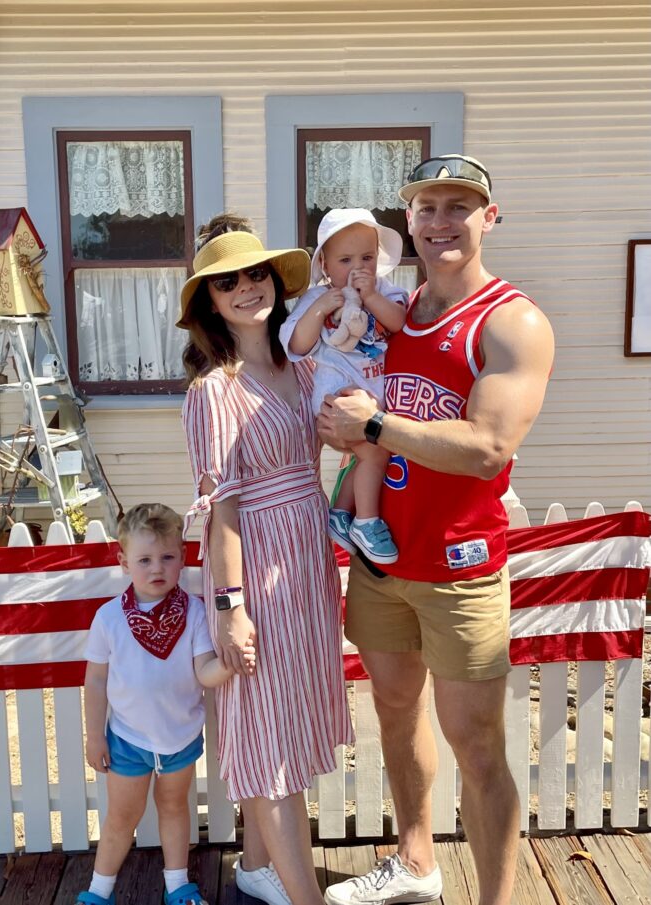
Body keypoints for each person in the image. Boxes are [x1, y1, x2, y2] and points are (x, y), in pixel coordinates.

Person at [319, 155, 555, 905]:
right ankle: (416, 862)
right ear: (408, 222)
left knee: (478, 745)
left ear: (491, 217)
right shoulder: (402, 307)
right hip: (382, 558)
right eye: (427, 207)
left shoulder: (512, 320)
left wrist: (376, 422)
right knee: (394, 710)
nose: (442, 221)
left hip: (461, 567)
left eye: (460, 206)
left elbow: (489, 444)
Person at [178, 215, 353, 905]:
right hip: (256, 569)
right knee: (269, 738)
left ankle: (257, 867)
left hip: (307, 562)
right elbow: (222, 509)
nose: (248, 288)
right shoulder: (212, 390)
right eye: (228, 281)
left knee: (290, 719)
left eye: (256, 274)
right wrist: (231, 606)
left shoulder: (301, 364)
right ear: (210, 302)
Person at [78, 503, 254, 905]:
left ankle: (177, 886)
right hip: (126, 739)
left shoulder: (194, 613)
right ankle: (97, 892)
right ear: (124, 562)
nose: (156, 568)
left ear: (183, 558)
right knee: (122, 817)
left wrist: (230, 663)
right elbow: (97, 680)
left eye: (167, 557)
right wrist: (94, 736)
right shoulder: (108, 619)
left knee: (174, 809)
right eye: (144, 559)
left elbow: (203, 671)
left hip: (179, 736)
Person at [279, 209, 408, 565]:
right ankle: (366, 521)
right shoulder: (316, 298)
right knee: (375, 450)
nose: (357, 268)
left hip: (372, 396)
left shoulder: (385, 291)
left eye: (366, 258)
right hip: (335, 397)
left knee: (367, 454)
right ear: (324, 263)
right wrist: (320, 308)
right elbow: (298, 345)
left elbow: (398, 324)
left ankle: (340, 512)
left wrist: (372, 299)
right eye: (345, 259)